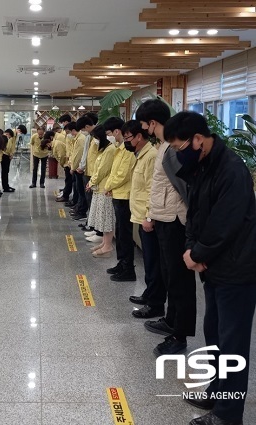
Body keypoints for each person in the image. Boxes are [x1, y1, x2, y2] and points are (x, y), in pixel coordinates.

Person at [165, 111, 256, 425]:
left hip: (237, 270)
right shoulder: (202, 166)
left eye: (179, 148)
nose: (178, 155)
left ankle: (229, 416)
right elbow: (195, 214)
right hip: (213, 266)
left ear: (198, 140)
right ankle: (217, 393)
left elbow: (224, 224)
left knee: (232, 344)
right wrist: (191, 248)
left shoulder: (231, 170)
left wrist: (198, 252)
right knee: (214, 334)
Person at [136, 99, 197, 356]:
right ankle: (171, 320)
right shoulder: (163, 146)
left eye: (144, 125)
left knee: (179, 280)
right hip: (163, 218)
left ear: (152, 123)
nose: (144, 130)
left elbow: (185, 189)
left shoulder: (171, 149)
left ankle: (179, 335)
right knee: (169, 274)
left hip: (174, 220)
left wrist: (189, 223)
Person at [123, 120, 166, 319]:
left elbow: (152, 190)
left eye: (128, 138)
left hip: (147, 216)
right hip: (139, 214)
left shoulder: (152, 156)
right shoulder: (141, 155)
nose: (127, 142)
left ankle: (155, 304)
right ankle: (149, 294)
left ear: (139, 136)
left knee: (152, 261)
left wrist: (149, 215)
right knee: (149, 261)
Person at [103, 117, 137, 282]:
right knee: (120, 232)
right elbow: (114, 171)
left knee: (124, 233)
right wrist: (110, 186)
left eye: (110, 133)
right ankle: (121, 263)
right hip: (117, 193)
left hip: (124, 195)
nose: (111, 137)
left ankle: (128, 268)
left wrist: (109, 186)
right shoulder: (119, 148)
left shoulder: (128, 150)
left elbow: (122, 174)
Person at [85, 124, 116, 257]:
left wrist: (91, 182)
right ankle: (104, 243)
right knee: (102, 217)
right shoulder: (104, 149)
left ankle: (108, 246)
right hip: (99, 187)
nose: (95, 141)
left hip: (105, 188)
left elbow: (103, 170)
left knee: (106, 218)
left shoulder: (110, 150)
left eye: (97, 138)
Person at [67, 122, 87, 221]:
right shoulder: (77, 138)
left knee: (81, 191)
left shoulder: (81, 139)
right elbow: (74, 154)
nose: (70, 133)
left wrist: (73, 167)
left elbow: (79, 155)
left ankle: (81, 211)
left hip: (79, 169)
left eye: (70, 131)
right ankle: (78, 208)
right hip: (76, 168)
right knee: (78, 189)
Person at [56, 114, 73, 202]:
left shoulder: (71, 133)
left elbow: (71, 148)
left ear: (66, 122)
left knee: (70, 180)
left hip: (71, 161)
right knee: (68, 179)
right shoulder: (65, 132)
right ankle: (65, 193)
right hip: (68, 160)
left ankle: (66, 196)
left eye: (62, 122)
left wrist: (69, 161)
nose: (62, 124)